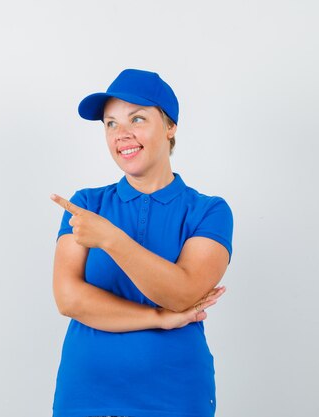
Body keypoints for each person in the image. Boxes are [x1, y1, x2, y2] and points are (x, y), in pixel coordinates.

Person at [49, 69, 233, 417]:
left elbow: (182, 293)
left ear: (169, 126)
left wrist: (111, 239)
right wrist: (159, 318)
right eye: (110, 124)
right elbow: (69, 299)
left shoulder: (208, 211)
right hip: (86, 394)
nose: (122, 134)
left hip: (175, 395)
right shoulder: (86, 205)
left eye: (137, 118)